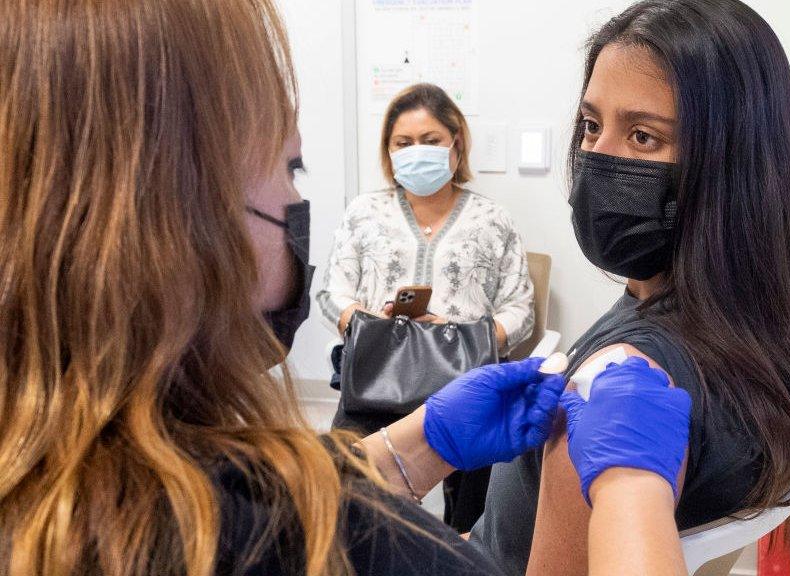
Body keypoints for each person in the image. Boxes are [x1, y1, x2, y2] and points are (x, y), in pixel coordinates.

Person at [0, 1, 695, 574]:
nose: (295, 199)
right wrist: (631, 497)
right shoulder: (323, 546)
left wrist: (413, 446)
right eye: (291, 167)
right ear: (184, 217)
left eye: (642, 137)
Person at [469, 1, 790, 574]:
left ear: (730, 167)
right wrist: (420, 447)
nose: (598, 158)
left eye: (644, 137)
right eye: (592, 126)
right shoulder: (774, 328)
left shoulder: (624, 378)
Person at [316, 82, 535, 531]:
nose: (417, 151)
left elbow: (520, 307)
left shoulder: (492, 220)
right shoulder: (364, 213)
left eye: (430, 141)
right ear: (389, 151)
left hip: (464, 377)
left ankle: (463, 545)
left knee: (478, 503)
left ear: (456, 144)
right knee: (345, 493)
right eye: (404, 143)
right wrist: (373, 325)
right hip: (378, 377)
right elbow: (330, 292)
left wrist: (457, 337)